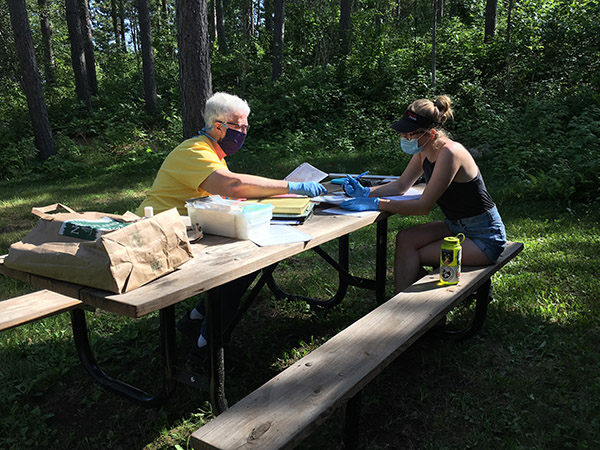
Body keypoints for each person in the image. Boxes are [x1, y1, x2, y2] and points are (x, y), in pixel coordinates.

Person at [137, 92, 327, 365]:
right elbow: (232, 185)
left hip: (191, 230)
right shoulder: (193, 151)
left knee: (246, 264)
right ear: (218, 127)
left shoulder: (211, 152)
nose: (245, 132)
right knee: (237, 269)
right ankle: (204, 352)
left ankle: (195, 321)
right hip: (160, 235)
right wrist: (290, 186)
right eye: (241, 127)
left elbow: (230, 193)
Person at [340, 95, 506, 293]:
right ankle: (404, 304)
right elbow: (401, 185)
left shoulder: (450, 153)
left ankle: (412, 311)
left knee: (414, 253)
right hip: (456, 226)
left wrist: (378, 203)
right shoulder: (423, 149)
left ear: (431, 132)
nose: (406, 139)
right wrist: (366, 192)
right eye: (404, 134)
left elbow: (423, 207)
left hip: (484, 236)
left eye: (411, 134)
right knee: (405, 239)